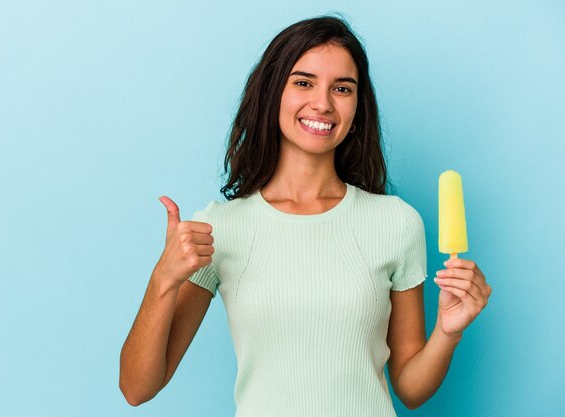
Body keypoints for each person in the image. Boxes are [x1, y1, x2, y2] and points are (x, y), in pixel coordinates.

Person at [119, 14, 492, 416]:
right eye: (303, 82)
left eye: (342, 88)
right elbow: (138, 388)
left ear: (356, 111)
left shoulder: (396, 223)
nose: (323, 103)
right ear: (272, 94)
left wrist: (447, 333)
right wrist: (163, 278)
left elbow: (410, 389)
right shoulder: (219, 228)